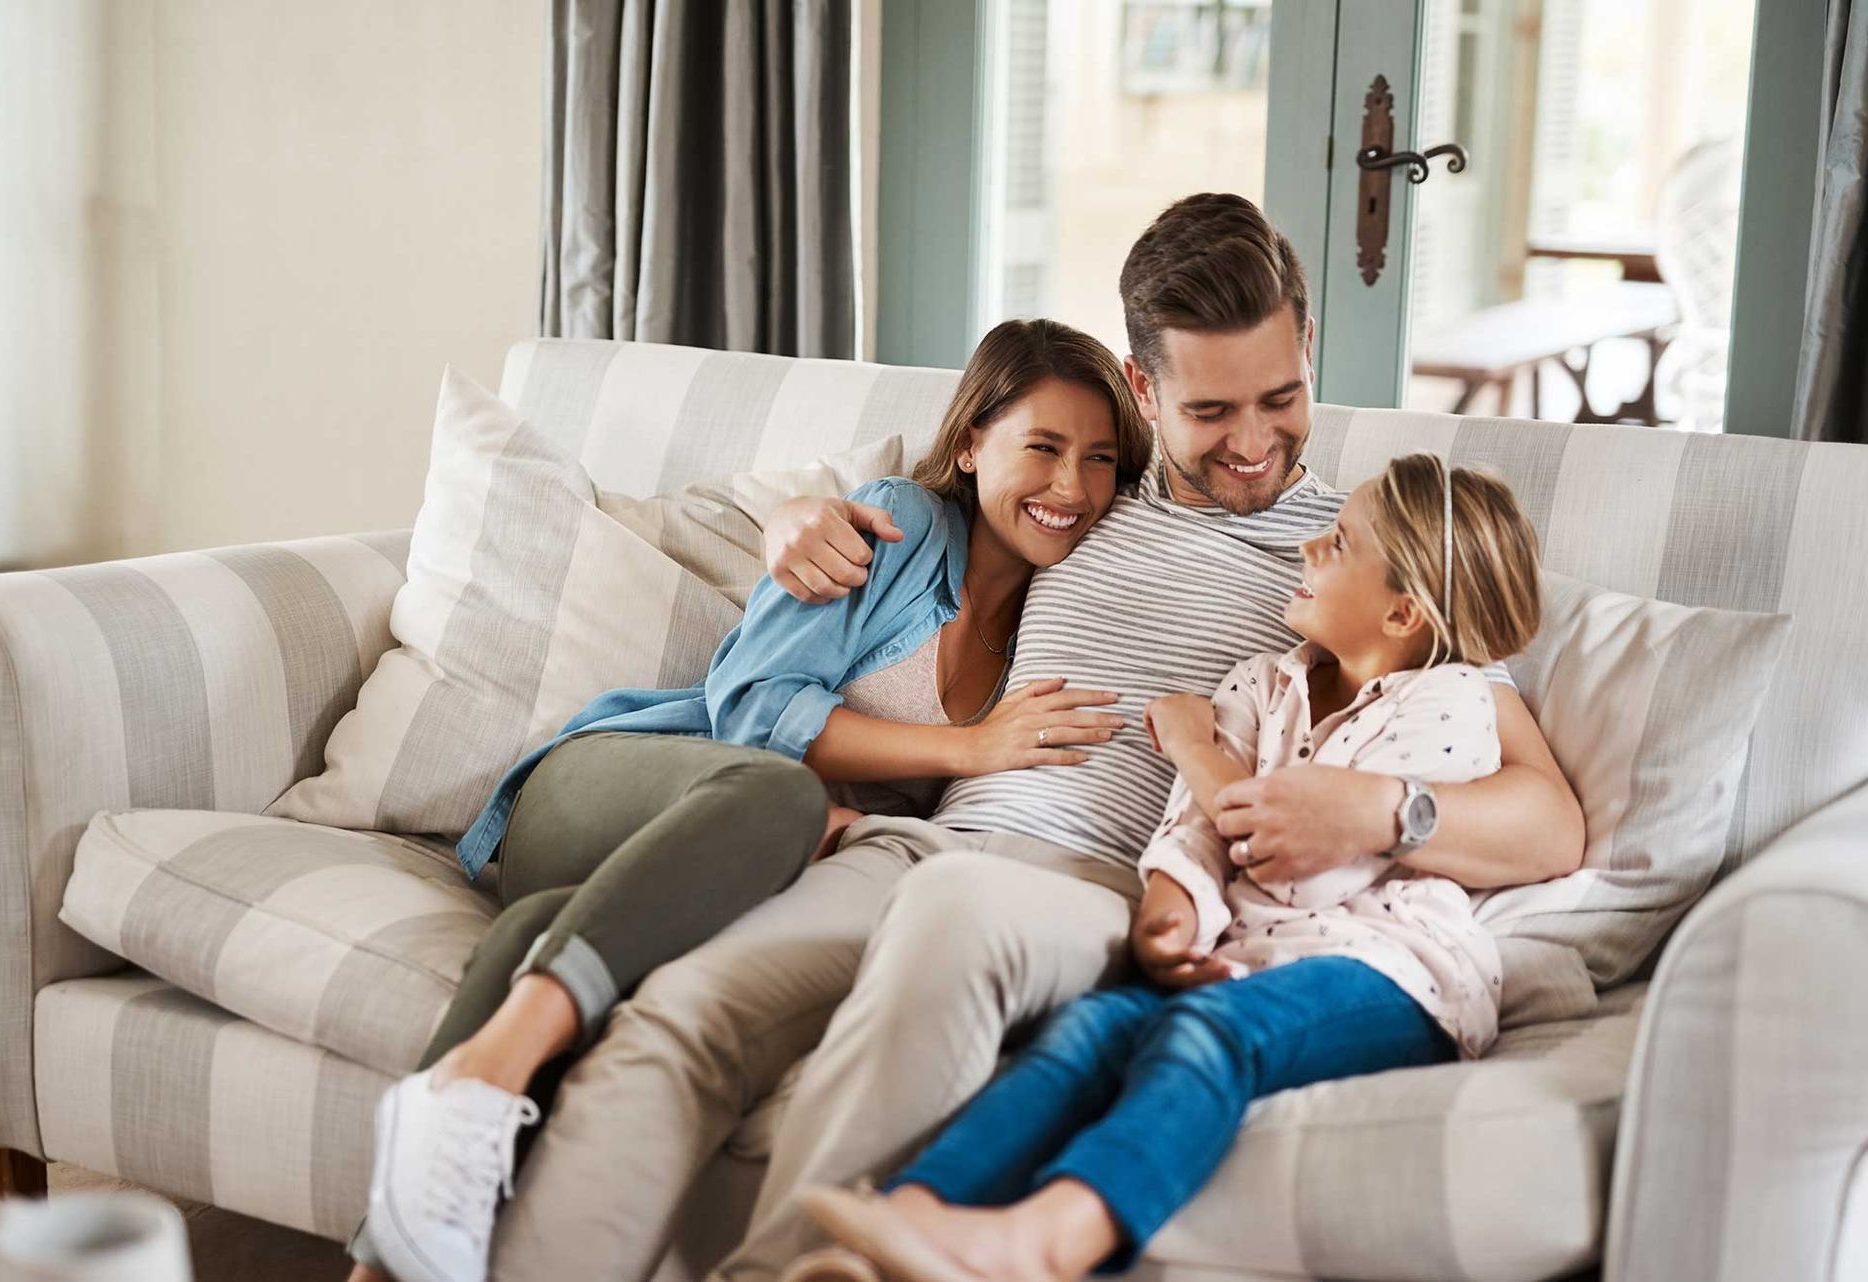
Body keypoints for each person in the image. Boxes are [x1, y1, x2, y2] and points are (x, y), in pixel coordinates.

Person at [480, 194, 1584, 1282]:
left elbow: (1544, 813)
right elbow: (911, 507)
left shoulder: (1361, 556)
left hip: (1110, 883)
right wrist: (788, 520)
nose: (1253, 443)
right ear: (1145, 392)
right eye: (1209, 414)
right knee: (680, 1012)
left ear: (1309, 351)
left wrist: (1389, 810)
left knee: (954, 913)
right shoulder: (1082, 493)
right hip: (926, 847)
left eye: (1282, 397)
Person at [346, 317, 1152, 1282]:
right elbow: (752, 708)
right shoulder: (891, 526)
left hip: (723, 874)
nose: (1072, 487)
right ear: (973, 441)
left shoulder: (1061, 613)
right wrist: (963, 748)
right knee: (778, 792)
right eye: (1046, 448)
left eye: (1101, 460)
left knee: (549, 942)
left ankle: (405, 1222)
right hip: (624, 786)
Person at [790, 454, 1542, 1282]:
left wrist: (1192, 744)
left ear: (1402, 612)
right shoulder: (1265, 681)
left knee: (1203, 1035)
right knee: (1091, 1030)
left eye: (1338, 545)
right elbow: (1192, 826)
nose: (1307, 548)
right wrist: (1171, 905)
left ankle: (1045, 1244)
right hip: (1256, 955)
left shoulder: (1449, 702)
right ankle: (913, 1217)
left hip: (1391, 973)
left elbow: (1300, 868)